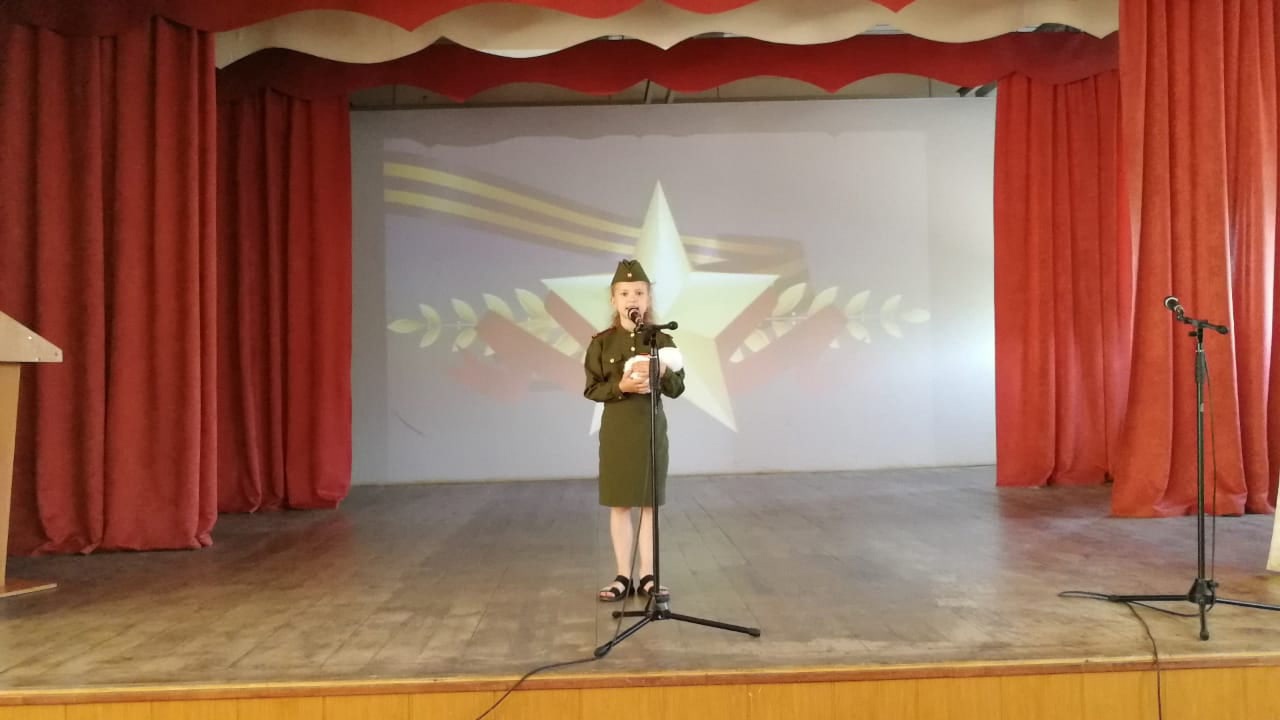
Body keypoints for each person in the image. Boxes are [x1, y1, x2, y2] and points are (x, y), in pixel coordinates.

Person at [583, 259, 685, 602]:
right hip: (618, 432)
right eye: (625, 293)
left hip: (650, 430)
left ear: (648, 299)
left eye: (639, 293)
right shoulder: (601, 343)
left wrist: (662, 373)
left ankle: (648, 576)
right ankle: (622, 576)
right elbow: (592, 388)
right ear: (614, 300)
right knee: (620, 505)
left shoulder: (662, 340)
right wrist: (621, 386)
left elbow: (678, 388)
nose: (632, 298)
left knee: (649, 506)